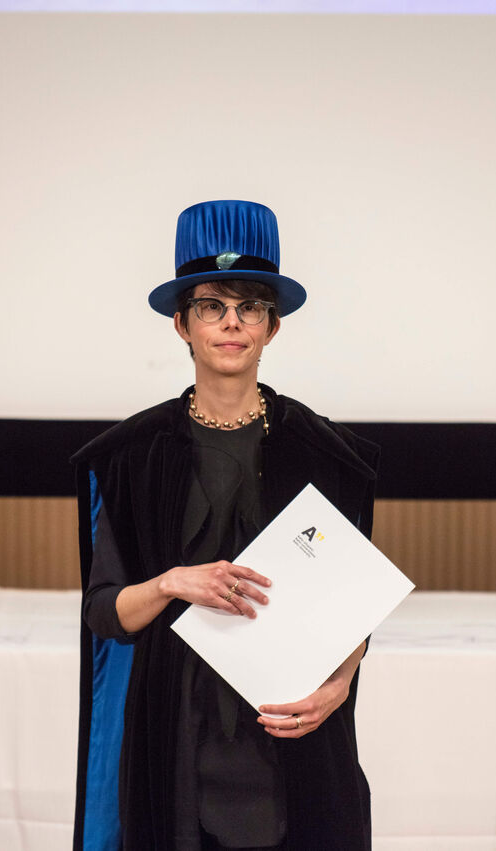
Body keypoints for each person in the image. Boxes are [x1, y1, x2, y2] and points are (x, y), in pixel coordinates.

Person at [72, 200, 379, 851]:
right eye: (212, 306)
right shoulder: (128, 459)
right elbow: (104, 612)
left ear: (273, 327)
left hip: (293, 727)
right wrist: (170, 582)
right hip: (173, 735)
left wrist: (339, 683)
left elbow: (353, 609)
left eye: (250, 306)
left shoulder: (331, 456)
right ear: (181, 325)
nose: (232, 323)